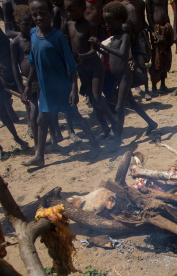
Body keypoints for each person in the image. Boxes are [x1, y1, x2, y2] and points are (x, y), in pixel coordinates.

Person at [22, 0, 101, 167]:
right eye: (35, 14)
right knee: (42, 120)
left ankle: (95, 145)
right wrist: (28, 84)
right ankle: (40, 155)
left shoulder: (57, 37)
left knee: (75, 117)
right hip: (45, 89)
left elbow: (71, 66)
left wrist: (73, 88)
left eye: (43, 13)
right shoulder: (33, 34)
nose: (38, 17)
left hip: (62, 88)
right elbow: (33, 62)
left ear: (52, 14)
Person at [90, 1, 158, 148]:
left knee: (120, 108)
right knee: (132, 103)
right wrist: (99, 49)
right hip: (119, 77)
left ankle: (117, 140)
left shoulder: (124, 36)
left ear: (120, 21)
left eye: (110, 22)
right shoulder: (114, 37)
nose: (106, 25)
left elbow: (121, 55)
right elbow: (111, 57)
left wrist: (101, 46)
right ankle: (151, 123)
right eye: (105, 22)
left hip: (125, 77)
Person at [64, 0, 119, 140]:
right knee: (93, 101)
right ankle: (105, 128)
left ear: (82, 8)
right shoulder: (68, 25)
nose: (69, 13)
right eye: (67, 10)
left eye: (72, 10)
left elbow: (94, 49)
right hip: (82, 69)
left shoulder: (90, 26)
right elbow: (69, 47)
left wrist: (81, 57)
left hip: (94, 66)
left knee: (97, 97)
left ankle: (114, 123)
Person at [11, 5, 39, 141]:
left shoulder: (36, 38)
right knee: (31, 106)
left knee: (46, 107)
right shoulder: (16, 43)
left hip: (40, 78)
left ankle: (54, 130)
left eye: (31, 24)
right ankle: (31, 127)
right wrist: (21, 90)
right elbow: (15, 67)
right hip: (27, 80)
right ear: (17, 24)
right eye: (25, 24)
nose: (29, 27)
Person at [123, 0, 151, 100]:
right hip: (128, 38)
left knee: (142, 63)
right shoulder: (123, 5)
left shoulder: (140, 3)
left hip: (139, 36)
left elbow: (143, 19)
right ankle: (135, 86)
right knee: (130, 63)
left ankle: (147, 90)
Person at [146, 0, 173, 95]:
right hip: (156, 31)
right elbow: (149, 15)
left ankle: (163, 84)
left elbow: (165, 11)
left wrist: (169, 30)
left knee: (165, 57)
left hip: (165, 29)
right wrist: (155, 32)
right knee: (156, 58)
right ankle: (154, 86)